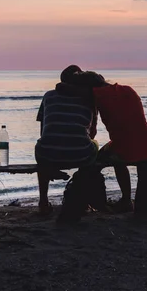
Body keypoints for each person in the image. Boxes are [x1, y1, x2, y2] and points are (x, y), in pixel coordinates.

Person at [34, 65, 99, 215]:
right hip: (80, 155)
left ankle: (43, 202)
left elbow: (44, 128)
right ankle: (82, 201)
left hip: (47, 155)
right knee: (92, 146)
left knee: (43, 146)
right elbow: (93, 133)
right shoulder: (89, 100)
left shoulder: (49, 96)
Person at [87, 72, 147, 213]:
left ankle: (102, 201)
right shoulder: (128, 89)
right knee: (117, 149)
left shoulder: (95, 95)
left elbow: (92, 132)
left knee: (95, 161)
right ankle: (126, 199)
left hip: (124, 149)